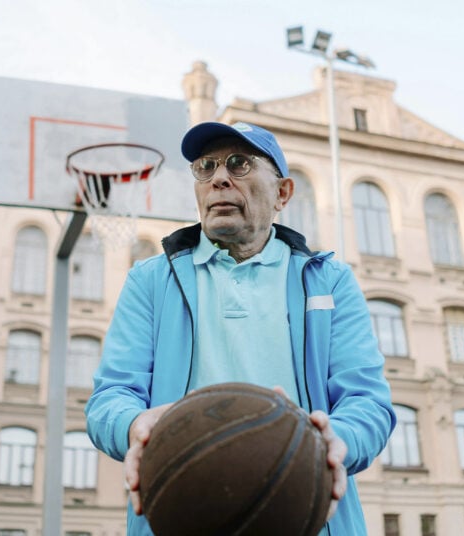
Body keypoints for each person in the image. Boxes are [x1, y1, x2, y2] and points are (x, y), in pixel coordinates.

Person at [85, 121, 396, 535]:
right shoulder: (150, 280)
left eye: (239, 163)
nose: (218, 178)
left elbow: (368, 403)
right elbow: (110, 398)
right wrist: (133, 425)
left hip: (303, 512)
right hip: (182, 515)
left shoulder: (330, 281)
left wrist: (335, 442)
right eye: (205, 167)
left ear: (282, 193)